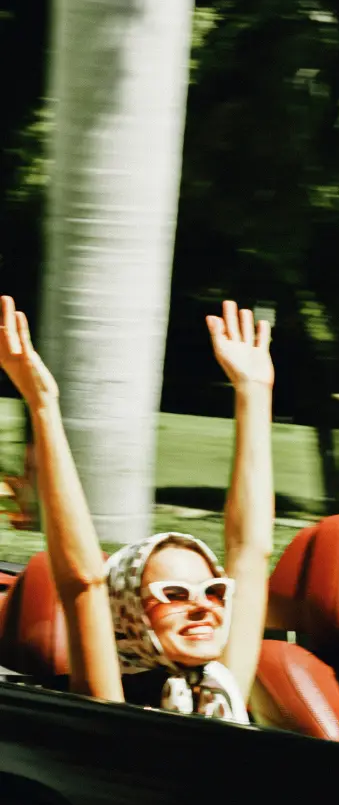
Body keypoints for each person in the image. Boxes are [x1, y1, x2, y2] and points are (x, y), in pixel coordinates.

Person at [0, 295, 274, 721]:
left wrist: (253, 391)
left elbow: (249, 550)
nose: (204, 607)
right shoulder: (113, 701)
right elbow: (84, 583)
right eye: (175, 595)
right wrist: (42, 403)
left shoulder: (221, 689)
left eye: (215, 592)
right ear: (129, 617)